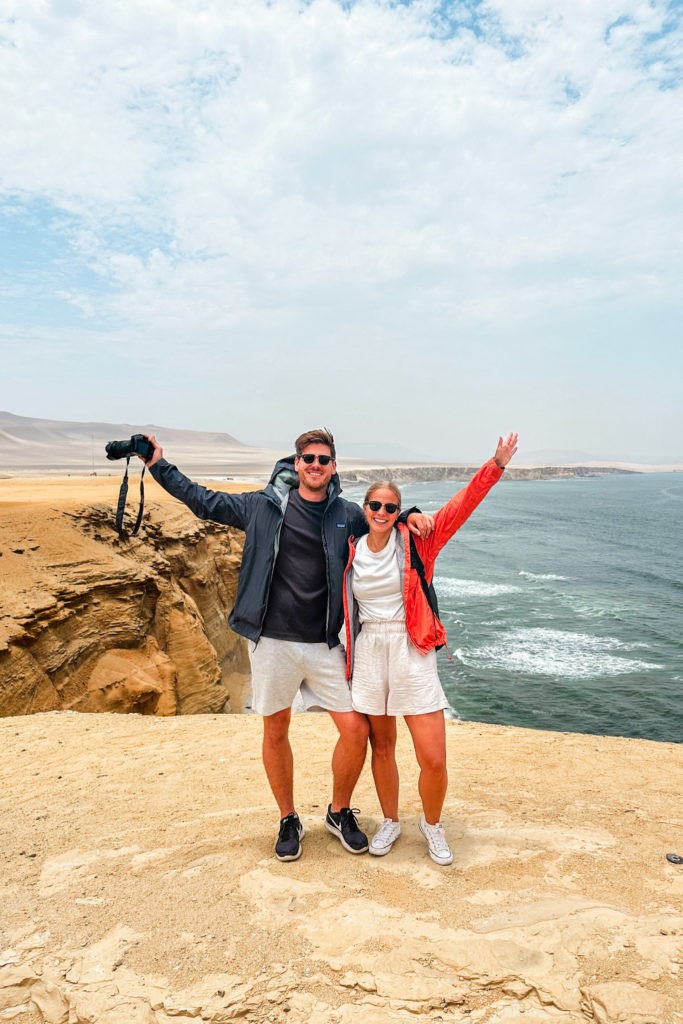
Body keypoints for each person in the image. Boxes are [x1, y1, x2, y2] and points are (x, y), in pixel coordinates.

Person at [142, 428, 432, 862]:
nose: (316, 466)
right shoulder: (262, 506)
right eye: (308, 458)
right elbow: (204, 500)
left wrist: (410, 514)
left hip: (324, 643)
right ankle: (287, 817)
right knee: (276, 730)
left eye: (324, 460)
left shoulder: (347, 514)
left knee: (356, 730)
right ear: (295, 464)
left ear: (333, 467)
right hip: (271, 641)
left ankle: (338, 812)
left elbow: (381, 520)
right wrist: (158, 465)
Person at [342, 433, 518, 865]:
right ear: (365, 510)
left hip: (410, 646)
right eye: (375, 506)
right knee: (381, 747)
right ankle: (390, 820)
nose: (382, 512)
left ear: (398, 512)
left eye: (390, 507)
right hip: (368, 650)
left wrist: (494, 466)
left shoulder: (418, 541)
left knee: (433, 757)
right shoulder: (350, 548)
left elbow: (460, 508)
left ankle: (432, 825)